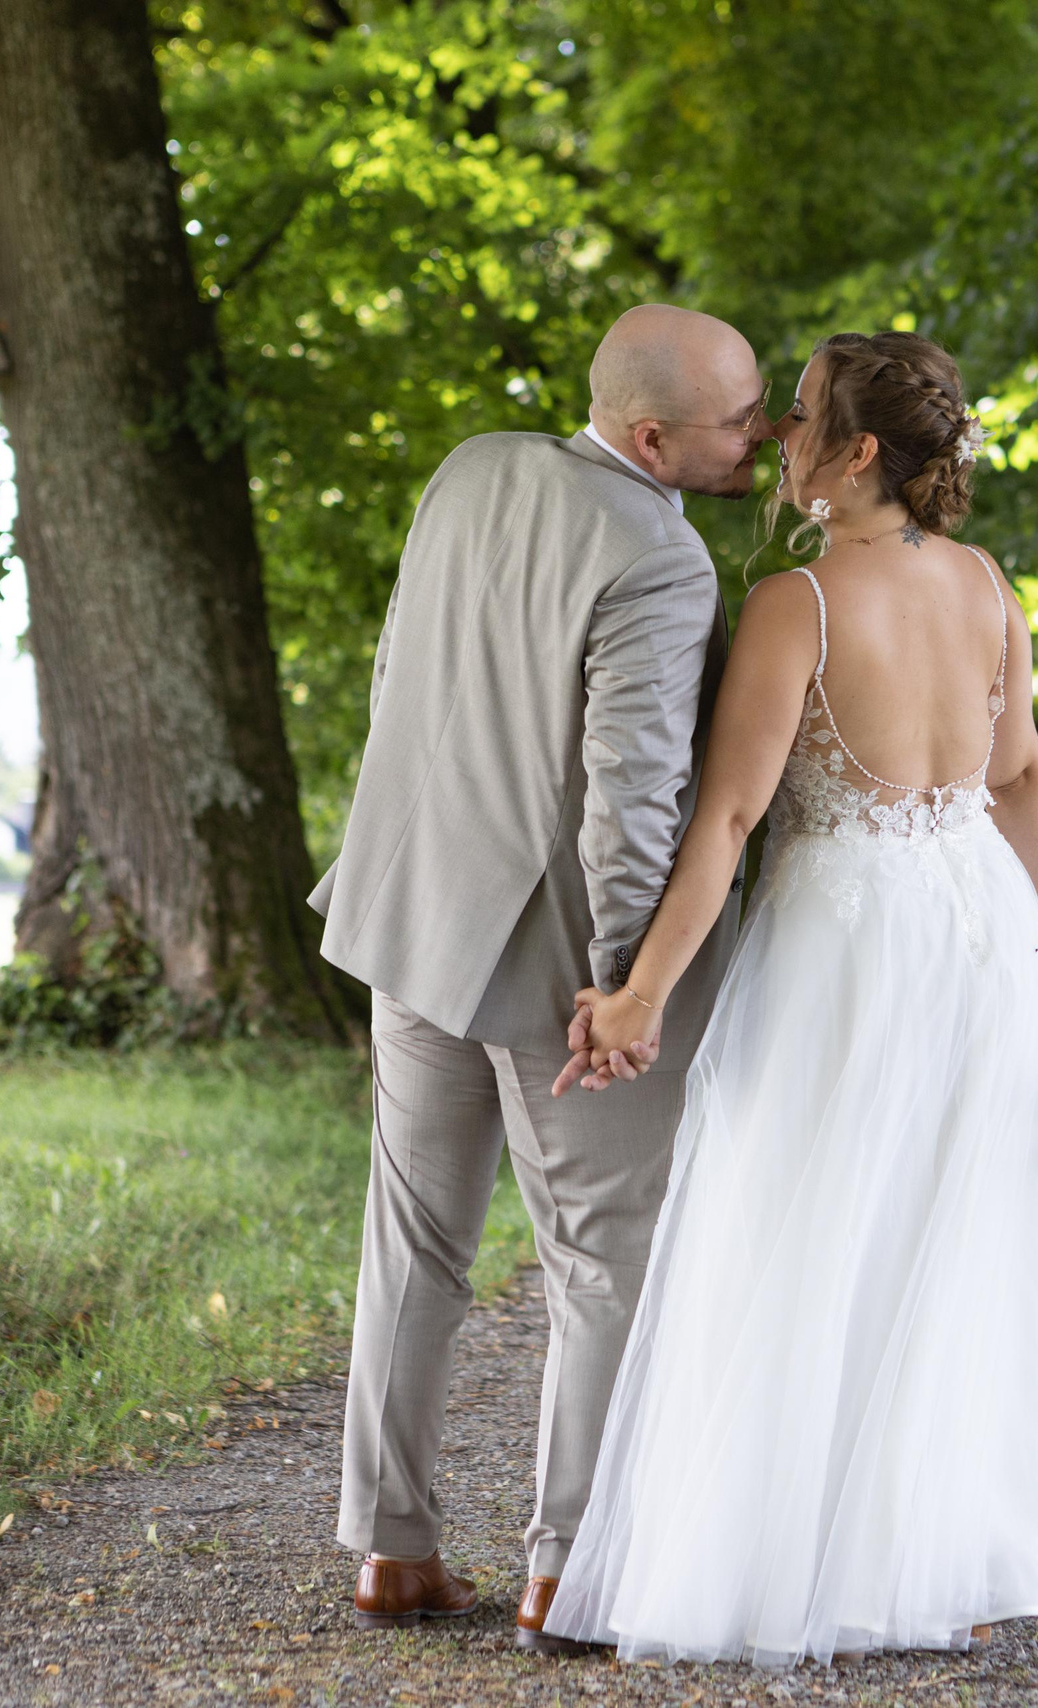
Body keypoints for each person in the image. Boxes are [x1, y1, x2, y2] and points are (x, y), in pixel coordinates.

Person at [536, 330, 1038, 1665]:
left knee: (794, 1226)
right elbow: (1021, 780)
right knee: (933, 1234)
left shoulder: (800, 603)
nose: (775, 440)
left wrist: (640, 997)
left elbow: (727, 816)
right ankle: (924, 1564)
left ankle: (781, 1565)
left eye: (795, 420)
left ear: (856, 453)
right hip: (976, 932)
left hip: (847, 938)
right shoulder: (986, 586)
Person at [304, 304, 773, 1638]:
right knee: (605, 1255)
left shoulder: (470, 469)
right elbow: (632, 795)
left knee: (415, 1235)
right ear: (649, 437)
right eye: (737, 420)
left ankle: (389, 1552)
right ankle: (569, 1569)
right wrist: (630, 988)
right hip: (558, 962)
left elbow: (400, 673)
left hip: (408, 909)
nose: (761, 434)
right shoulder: (664, 560)